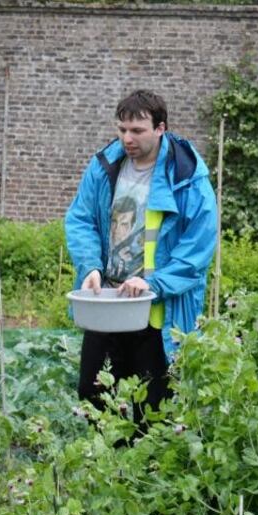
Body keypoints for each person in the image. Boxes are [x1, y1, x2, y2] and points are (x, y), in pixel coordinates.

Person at [65, 89, 217, 424]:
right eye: (122, 130)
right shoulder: (106, 164)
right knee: (93, 395)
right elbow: (81, 218)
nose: (127, 139)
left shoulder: (186, 176)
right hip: (107, 299)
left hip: (156, 308)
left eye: (137, 130)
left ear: (161, 128)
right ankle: (107, 468)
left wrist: (152, 282)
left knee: (155, 407)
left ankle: (143, 473)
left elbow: (198, 249)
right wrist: (90, 265)